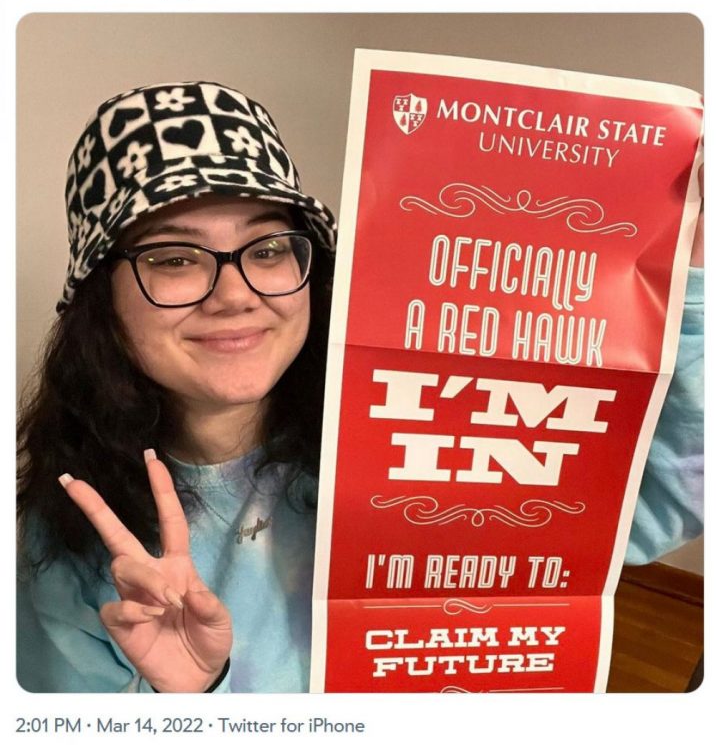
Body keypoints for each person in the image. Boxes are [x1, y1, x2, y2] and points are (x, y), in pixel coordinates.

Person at [17, 80, 704, 694]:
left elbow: (682, 488)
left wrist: (691, 274)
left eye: (266, 249)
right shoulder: (68, 545)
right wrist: (195, 704)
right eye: (173, 257)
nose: (235, 294)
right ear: (99, 301)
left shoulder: (422, 434)